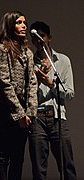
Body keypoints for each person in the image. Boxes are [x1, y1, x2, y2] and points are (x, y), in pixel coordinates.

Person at [28, 21, 77, 180]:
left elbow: (70, 94)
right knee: (38, 168)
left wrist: (51, 84)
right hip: (37, 118)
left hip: (57, 117)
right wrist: (36, 80)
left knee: (66, 164)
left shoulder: (62, 61)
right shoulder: (29, 62)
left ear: (49, 37)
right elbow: (25, 95)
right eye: (34, 38)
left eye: (41, 36)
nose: (38, 41)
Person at [0, 11, 38, 180]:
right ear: (10, 25)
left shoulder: (28, 52)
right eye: (19, 22)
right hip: (5, 110)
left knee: (18, 157)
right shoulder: (1, 50)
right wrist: (19, 113)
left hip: (24, 114)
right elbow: (5, 83)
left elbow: (33, 82)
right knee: (3, 156)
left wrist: (30, 112)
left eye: (24, 22)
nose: (24, 26)